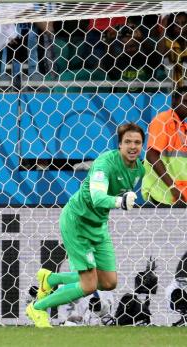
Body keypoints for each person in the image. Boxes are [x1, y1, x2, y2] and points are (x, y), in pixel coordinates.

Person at [26, 123, 146, 328]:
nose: (132, 146)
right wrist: (120, 201)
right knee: (89, 284)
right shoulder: (104, 164)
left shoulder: (139, 170)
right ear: (119, 144)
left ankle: (51, 279)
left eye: (137, 142)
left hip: (98, 226)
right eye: (128, 142)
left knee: (108, 282)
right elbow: (98, 197)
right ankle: (37, 308)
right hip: (77, 222)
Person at [143, 89, 187, 206]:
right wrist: (173, 188)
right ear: (174, 102)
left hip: (180, 196)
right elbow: (152, 155)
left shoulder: (183, 128)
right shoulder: (162, 120)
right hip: (164, 194)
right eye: (186, 102)